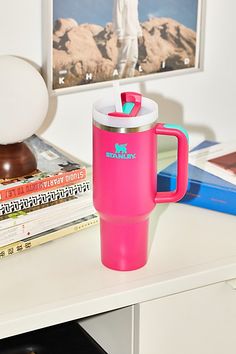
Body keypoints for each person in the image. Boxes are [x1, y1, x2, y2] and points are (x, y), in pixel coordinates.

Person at [113, 0, 143, 78]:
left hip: (134, 34)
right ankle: (119, 81)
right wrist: (119, 34)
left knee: (133, 59)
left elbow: (136, 16)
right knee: (123, 60)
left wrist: (139, 33)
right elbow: (117, 15)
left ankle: (130, 82)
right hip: (125, 35)